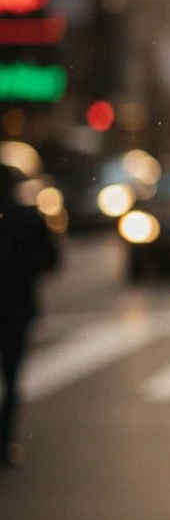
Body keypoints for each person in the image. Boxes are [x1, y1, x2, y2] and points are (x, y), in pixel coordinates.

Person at [0, 163, 59, 468]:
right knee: (11, 378)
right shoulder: (27, 218)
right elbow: (51, 260)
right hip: (17, 308)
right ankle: (6, 440)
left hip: (16, 307)